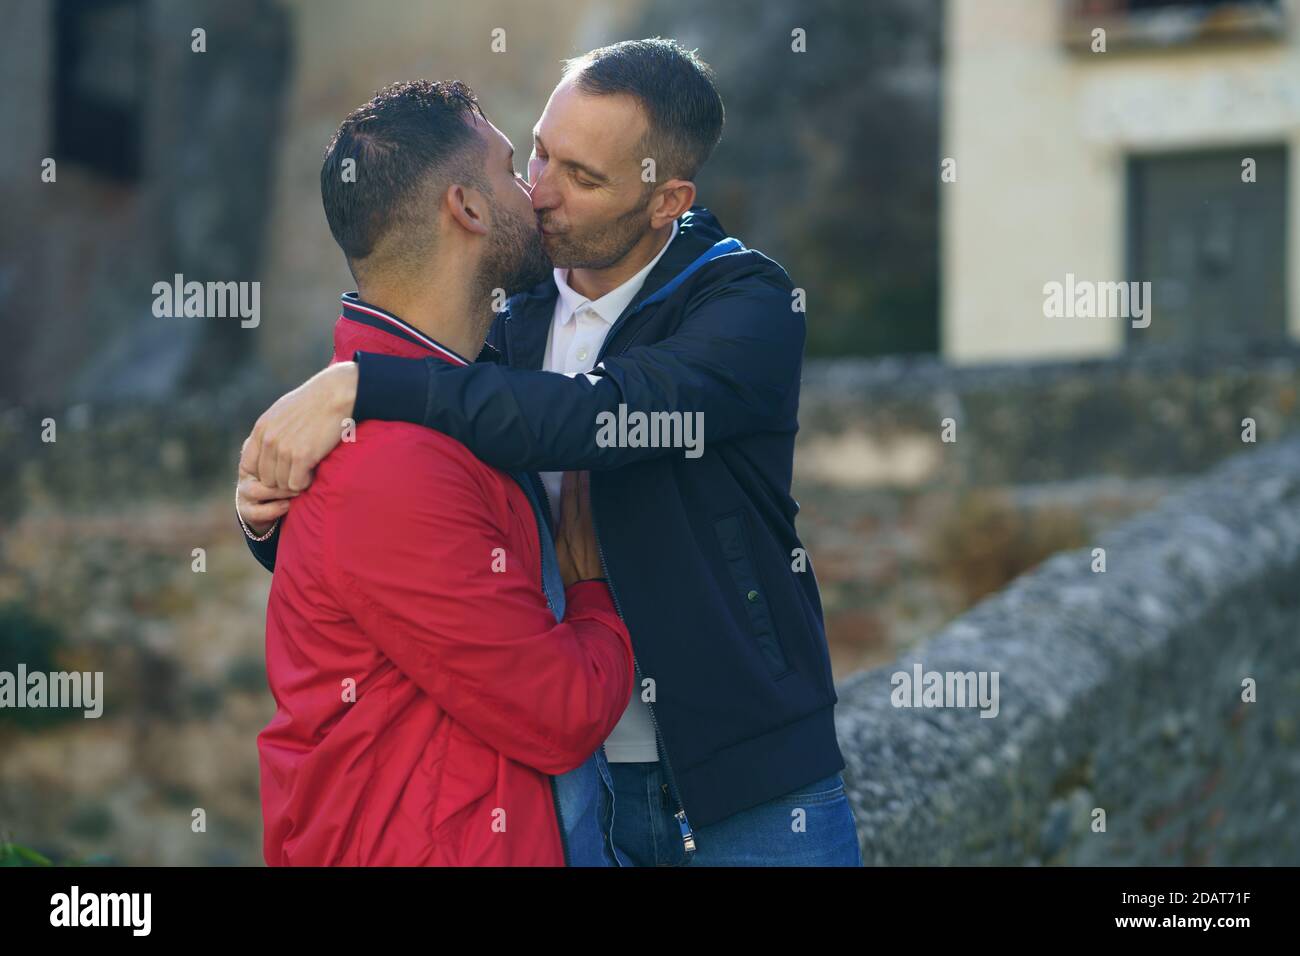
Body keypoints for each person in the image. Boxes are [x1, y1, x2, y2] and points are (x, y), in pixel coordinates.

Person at [242, 39, 862, 867]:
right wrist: (272, 517)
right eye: (538, 153)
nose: (540, 192)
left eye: (583, 177)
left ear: (664, 198)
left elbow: (606, 417)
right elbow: (409, 527)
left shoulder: (744, 303)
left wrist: (369, 386)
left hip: (748, 788)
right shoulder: (504, 302)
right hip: (571, 790)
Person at [255, 79, 634, 866]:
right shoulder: (393, 461)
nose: (534, 191)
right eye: (509, 168)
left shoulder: (442, 399)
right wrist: (596, 590)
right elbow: (560, 711)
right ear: (465, 207)